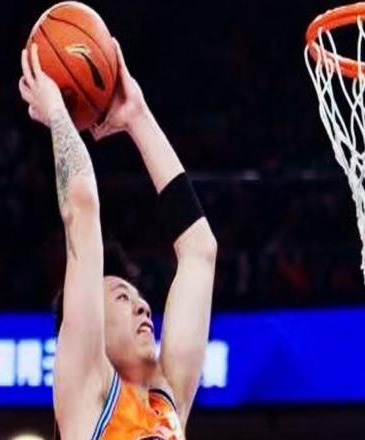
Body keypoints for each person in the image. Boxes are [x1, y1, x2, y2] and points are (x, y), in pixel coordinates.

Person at [19, 40, 217, 439]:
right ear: (92, 324)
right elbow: (82, 208)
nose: (144, 306)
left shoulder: (166, 406)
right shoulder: (85, 395)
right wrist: (57, 112)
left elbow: (199, 249)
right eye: (124, 299)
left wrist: (137, 117)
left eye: (136, 297)